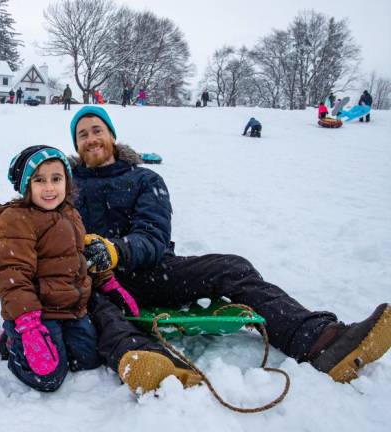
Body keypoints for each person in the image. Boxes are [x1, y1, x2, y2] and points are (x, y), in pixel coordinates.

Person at [68, 105, 391, 385]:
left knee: (231, 267)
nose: (91, 138)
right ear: (76, 144)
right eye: (82, 134)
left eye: (97, 130)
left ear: (111, 134)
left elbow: (153, 236)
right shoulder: (66, 185)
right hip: (95, 283)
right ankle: (147, 361)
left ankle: (320, 341)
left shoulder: (144, 180)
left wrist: (116, 250)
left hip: (151, 272)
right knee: (94, 305)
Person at [0, 146, 101, 392]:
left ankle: (58, 340)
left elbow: (79, 257)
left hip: (71, 308)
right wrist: (28, 322)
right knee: (48, 377)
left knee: (87, 360)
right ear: (26, 186)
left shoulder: (71, 213)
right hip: (36, 312)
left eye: (56, 179)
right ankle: (12, 343)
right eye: (39, 180)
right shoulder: (16, 220)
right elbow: (13, 274)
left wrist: (108, 282)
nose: (49, 188)